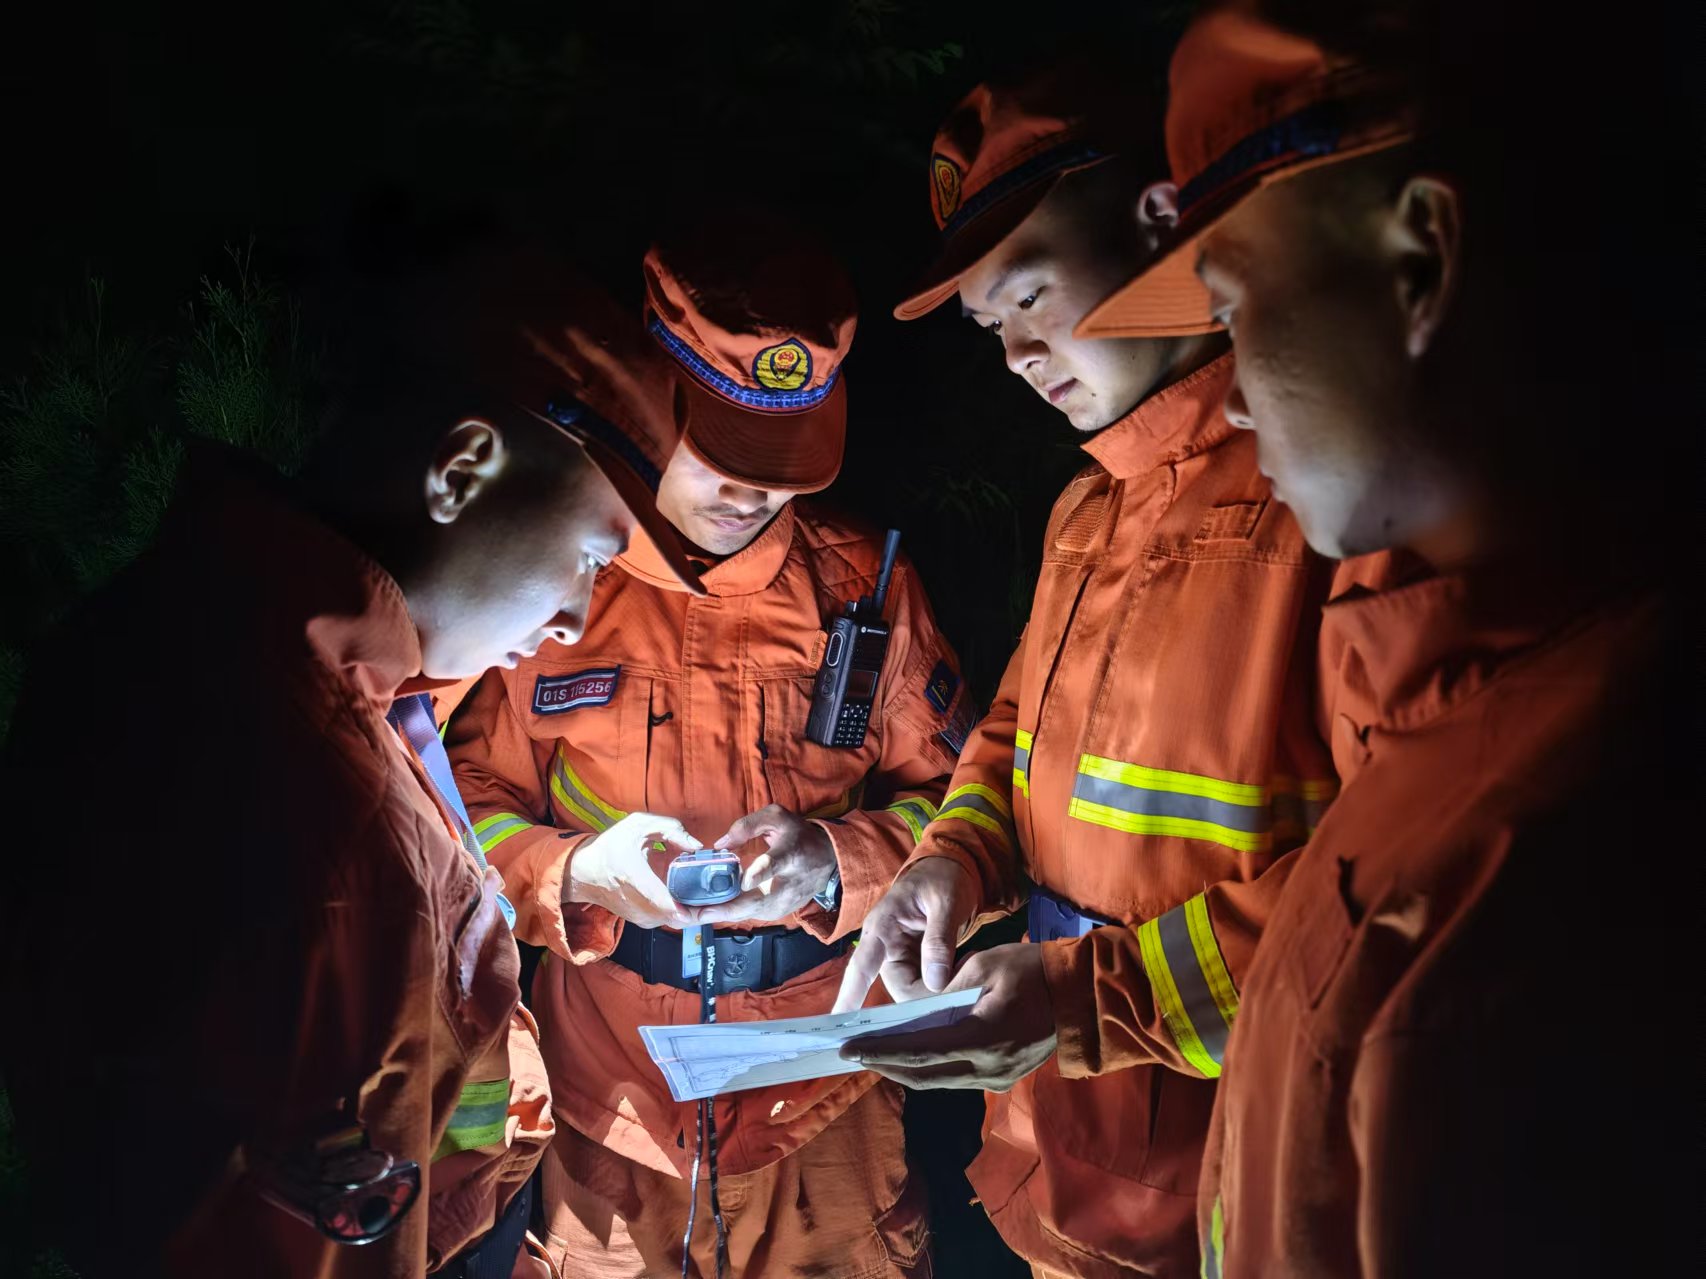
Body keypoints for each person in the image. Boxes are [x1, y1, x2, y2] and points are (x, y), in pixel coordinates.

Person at [1071, 6, 1682, 1273]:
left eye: (1237, 311)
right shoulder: (1449, 707)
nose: (1231, 390)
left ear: (1417, 261)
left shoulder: (1550, 886)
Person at [0, 246, 701, 1277]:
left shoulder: (276, 653)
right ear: (461, 471)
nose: (572, 617)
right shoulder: (315, 805)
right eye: (592, 557)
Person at [832, 68, 1343, 1277]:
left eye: (1025, 296)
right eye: (985, 329)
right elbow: (1011, 733)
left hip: (1229, 1195)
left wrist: (1083, 999)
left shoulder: (1321, 492)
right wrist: (946, 865)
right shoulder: (1083, 508)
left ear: (1161, 222)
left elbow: (1377, 886)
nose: (1011, 354)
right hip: (1049, 1160)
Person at [446, 217, 970, 1278]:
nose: (752, 491)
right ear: (647, 400)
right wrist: (571, 872)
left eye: (780, 461)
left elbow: (975, 812)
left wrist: (841, 860)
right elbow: (457, 811)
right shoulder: (553, 582)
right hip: (608, 1107)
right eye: (720, 452)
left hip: (827, 1100)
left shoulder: (862, 585)